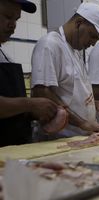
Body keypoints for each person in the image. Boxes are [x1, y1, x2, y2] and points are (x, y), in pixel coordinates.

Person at [31, 2, 99, 138]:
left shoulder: (77, 51)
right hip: (58, 139)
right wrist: (82, 123)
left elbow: (69, 93)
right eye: (93, 36)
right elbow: (42, 92)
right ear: (79, 23)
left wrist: (94, 105)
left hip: (79, 138)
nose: (93, 43)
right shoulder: (50, 45)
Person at [0, 0, 58, 147]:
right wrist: (30, 105)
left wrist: (36, 113)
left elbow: (13, 106)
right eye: (7, 16)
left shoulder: (5, 57)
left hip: (13, 150)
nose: (13, 25)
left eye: (16, 19)